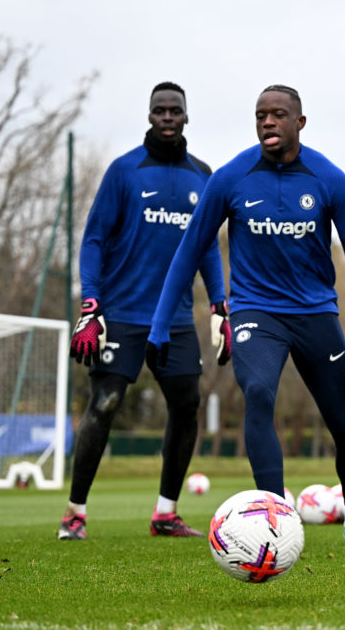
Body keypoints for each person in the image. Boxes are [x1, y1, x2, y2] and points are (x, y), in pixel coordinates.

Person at [146, 85, 345, 549]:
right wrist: (158, 327)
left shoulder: (328, 178)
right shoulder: (231, 178)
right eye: (261, 115)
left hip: (316, 313)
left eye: (279, 115)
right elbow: (187, 255)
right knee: (257, 393)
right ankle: (276, 521)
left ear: (300, 122)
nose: (268, 123)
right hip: (256, 311)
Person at [60, 82, 230, 541]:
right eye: (160, 110)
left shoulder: (204, 176)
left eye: (176, 110)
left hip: (174, 319)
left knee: (188, 404)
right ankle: (75, 513)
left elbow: (208, 249)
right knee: (106, 403)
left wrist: (219, 303)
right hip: (122, 313)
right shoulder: (124, 171)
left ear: (187, 117)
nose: (168, 117)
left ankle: (166, 513)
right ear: (150, 115)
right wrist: (90, 302)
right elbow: (93, 238)